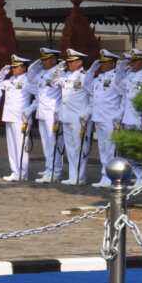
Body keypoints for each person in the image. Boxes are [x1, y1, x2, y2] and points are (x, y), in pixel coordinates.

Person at [53, 49, 99, 185]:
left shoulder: (85, 77)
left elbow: (93, 97)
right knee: (70, 148)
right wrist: (58, 69)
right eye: (68, 62)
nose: (69, 64)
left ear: (79, 62)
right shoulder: (66, 76)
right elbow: (52, 82)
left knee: (80, 148)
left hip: (80, 118)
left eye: (72, 62)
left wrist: (87, 114)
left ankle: (80, 176)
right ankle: (73, 176)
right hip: (66, 116)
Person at [115, 48, 142, 186]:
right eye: (132, 61)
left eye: (135, 61)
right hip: (128, 118)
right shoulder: (128, 77)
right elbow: (119, 89)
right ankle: (138, 176)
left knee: (140, 150)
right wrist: (120, 67)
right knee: (129, 151)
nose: (132, 64)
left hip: (140, 119)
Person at [0, 55, 36, 181]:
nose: (13, 69)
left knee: (21, 147)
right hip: (9, 116)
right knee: (12, 146)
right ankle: (15, 171)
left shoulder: (28, 80)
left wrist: (29, 110)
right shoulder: (10, 80)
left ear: (23, 67)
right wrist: (2, 73)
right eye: (12, 67)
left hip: (21, 118)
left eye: (16, 67)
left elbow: (40, 96)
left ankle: (22, 173)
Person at [29, 48, 64, 183]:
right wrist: (38, 62)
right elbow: (30, 75)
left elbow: (63, 94)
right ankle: (49, 169)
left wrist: (59, 112)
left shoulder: (60, 73)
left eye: (47, 59)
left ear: (54, 60)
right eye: (43, 59)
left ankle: (56, 172)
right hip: (42, 112)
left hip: (52, 113)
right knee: (46, 144)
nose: (44, 62)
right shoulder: (42, 73)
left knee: (54, 143)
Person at [90, 49, 123, 188]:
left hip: (110, 118)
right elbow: (86, 87)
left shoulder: (117, 78)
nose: (102, 65)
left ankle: (111, 177)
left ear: (113, 63)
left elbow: (124, 97)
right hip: (99, 117)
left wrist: (119, 115)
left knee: (110, 149)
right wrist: (92, 70)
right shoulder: (98, 78)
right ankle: (104, 175)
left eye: (105, 62)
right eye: (101, 62)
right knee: (103, 148)